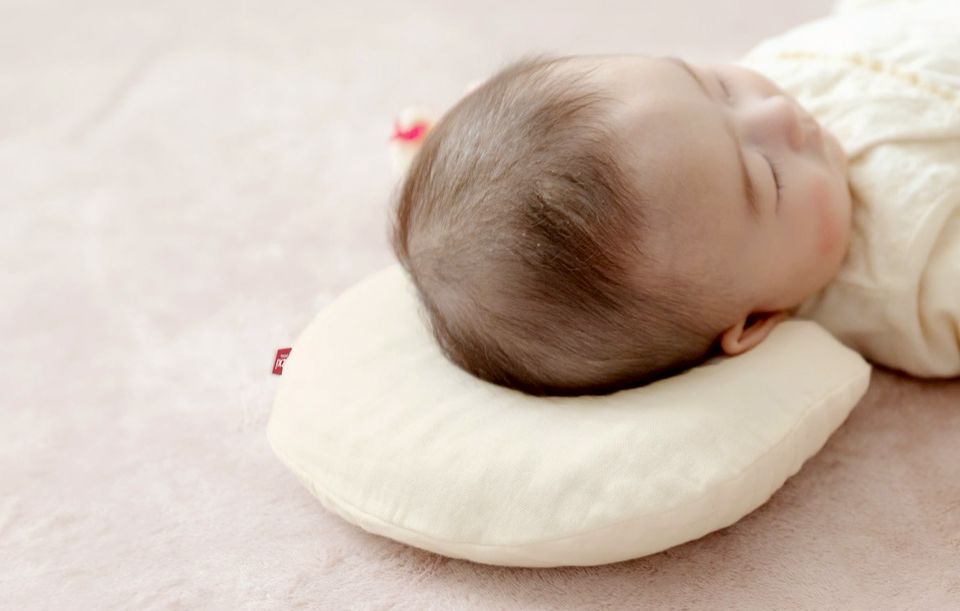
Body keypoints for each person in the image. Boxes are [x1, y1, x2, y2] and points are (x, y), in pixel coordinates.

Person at [389, 0, 960, 396]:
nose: (777, 112)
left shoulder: (701, 131)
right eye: (767, 178)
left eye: (716, 84)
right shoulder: (912, 282)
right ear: (754, 321)